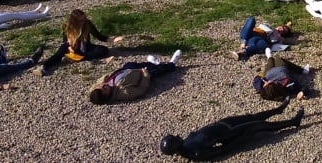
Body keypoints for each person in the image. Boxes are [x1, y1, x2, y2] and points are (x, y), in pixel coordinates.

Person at [159, 97, 304, 160]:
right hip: (233, 132)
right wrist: (240, 140)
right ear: (174, 147)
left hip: (224, 123)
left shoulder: (185, 142)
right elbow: (223, 149)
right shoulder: (196, 153)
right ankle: (293, 122)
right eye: (174, 139)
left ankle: (278, 110)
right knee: (262, 126)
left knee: (254, 116)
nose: (177, 135)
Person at [33, 9, 123, 76]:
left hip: (85, 47)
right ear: (74, 21)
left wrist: (112, 40)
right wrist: (70, 48)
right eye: (81, 20)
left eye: (84, 18)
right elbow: (65, 41)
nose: (84, 21)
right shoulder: (66, 26)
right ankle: (44, 67)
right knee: (58, 54)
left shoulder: (87, 24)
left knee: (103, 50)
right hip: (70, 47)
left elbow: (98, 36)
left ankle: (76, 58)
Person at [89, 50, 182, 104]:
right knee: (155, 71)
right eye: (104, 89)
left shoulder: (99, 88)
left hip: (127, 70)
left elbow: (95, 87)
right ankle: (172, 64)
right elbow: (141, 90)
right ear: (107, 95)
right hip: (140, 74)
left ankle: (154, 63)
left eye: (100, 86)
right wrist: (145, 76)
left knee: (131, 64)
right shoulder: (122, 92)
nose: (103, 85)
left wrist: (102, 81)